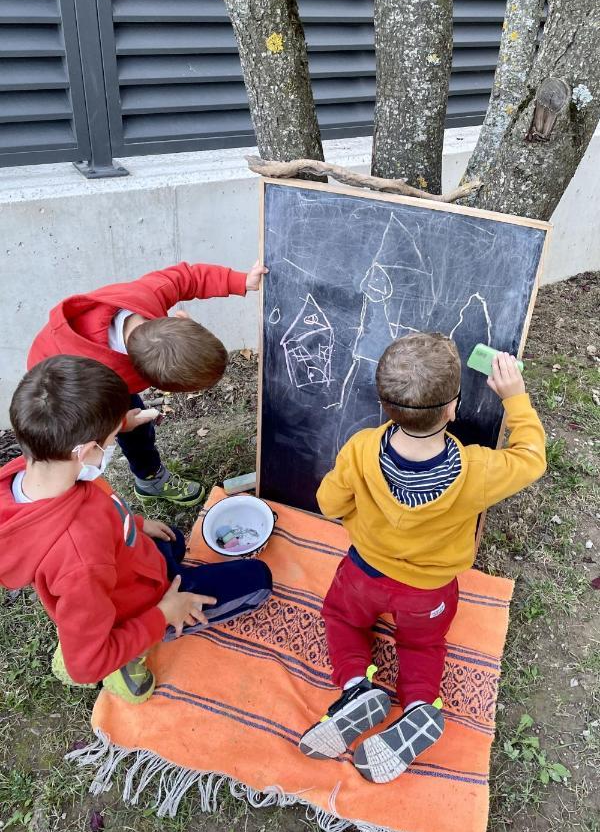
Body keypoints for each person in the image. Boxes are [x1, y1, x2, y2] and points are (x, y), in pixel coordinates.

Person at [299, 333, 546, 783]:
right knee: (423, 644)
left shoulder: (361, 448)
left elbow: (329, 504)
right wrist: (515, 399)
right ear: (453, 407)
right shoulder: (479, 470)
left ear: (383, 404)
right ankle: (416, 707)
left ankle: (356, 686)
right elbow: (531, 459)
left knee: (340, 617)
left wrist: (359, 511)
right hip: (429, 592)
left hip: (363, 574)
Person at [0, 356, 272, 703]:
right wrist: (163, 615)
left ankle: (109, 627)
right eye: (114, 436)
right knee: (259, 580)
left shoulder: (37, 470)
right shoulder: (79, 560)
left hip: (128, 569)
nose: (115, 443)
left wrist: (136, 526)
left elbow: (98, 513)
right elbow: (86, 664)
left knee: (171, 535)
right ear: (84, 451)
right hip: (140, 607)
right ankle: (126, 658)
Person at [27, 260, 267, 506]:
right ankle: (149, 480)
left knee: (138, 425)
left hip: (99, 369)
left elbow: (187, 277)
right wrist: (121, 423)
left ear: (181, 319)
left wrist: (240, 281)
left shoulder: (145, 297)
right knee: (128, 431)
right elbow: (89, 414)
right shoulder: (99, 382)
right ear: (151, 382)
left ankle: (147, 474)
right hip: (60, 388)